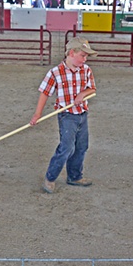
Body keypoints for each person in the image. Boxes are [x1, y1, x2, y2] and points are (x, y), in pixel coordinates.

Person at [30, 36, 98, 194]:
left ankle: (74, 176)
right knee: (66, 147)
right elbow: (45, 93)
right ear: (72, 53)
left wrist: (83, 94)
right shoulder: (55, 72)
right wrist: (37, 115)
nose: (85, 59)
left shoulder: (86, 70)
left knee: (82, 146)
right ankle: (50, 177)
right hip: (67, 115)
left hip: (82, 114)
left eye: (86, 56)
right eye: (83, 55)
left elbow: (92, 89)